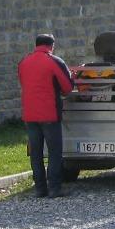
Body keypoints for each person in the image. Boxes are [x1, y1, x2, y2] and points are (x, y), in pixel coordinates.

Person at [17, 34, 74, 198]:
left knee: (36, 153)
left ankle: (40, 189)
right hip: (49, 113)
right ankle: (55, 188)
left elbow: (23, 82)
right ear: (52, 45)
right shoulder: (54, 61)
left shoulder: (23, 62)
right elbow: (67, 87)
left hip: (29, 114)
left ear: (36, 44)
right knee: (55, 152)